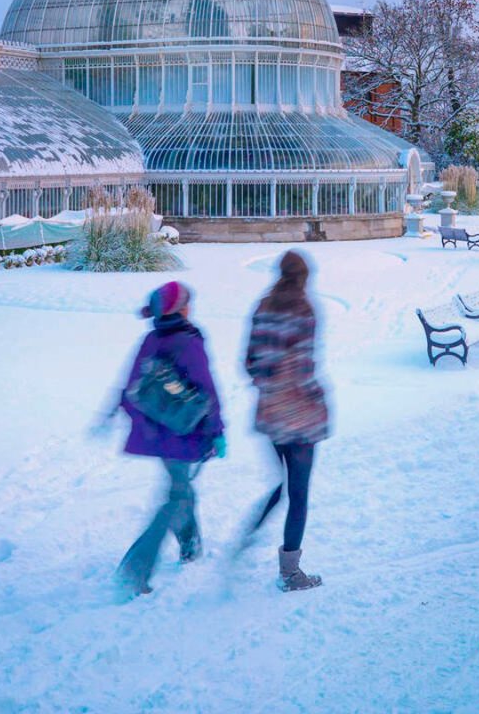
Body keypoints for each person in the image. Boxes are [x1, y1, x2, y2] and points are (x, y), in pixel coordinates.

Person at [113, 280, 225, 600]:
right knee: (175, 500)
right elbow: (208, 391)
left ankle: (190, 546)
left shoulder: (151, 339)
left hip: (157, 436)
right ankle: (137, 566)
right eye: (188, 302)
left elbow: (130, 386)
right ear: (181, 309)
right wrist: (217, 432)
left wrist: (128, 419)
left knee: (181, 489)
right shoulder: (188, 342)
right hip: (185, 433)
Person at [243, 250, 329, 592]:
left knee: (280, 485)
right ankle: (291, 572)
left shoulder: (262, 307)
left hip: (269, 411)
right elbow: (305, 369)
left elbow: (248, 362)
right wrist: (318, 400)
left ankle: (249, 533)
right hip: (300, 416)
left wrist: (268, 383)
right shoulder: (304, 310)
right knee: (299, 493)